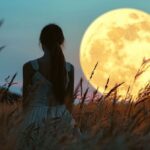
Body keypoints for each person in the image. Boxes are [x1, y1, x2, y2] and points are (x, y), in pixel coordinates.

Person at [20, 24, 75, 131]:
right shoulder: (69, 68)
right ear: (61, 42)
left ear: (41, 42)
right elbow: (69, 103)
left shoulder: (30, 67)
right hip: (62, 118)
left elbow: (25, 103)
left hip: (35, 119)